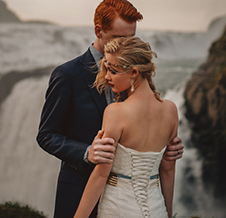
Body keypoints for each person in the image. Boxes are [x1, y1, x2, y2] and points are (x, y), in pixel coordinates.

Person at [37, 0, 184, 218]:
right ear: (99, 31)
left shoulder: (134, 73)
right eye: (119, 38)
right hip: (80, 190)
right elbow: (46, 135)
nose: (126, 45)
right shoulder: (67, 75)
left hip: (129, 201)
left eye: (131, 38)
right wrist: (87, 152)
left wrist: (167, 148)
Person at [74, 36, 178, 218]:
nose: (106, 76)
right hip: (157, 209)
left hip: (118, 209)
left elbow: (100, 175)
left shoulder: (116, 112)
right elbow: (168, 170)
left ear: (134, 73)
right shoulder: (170, 110)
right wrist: (168, 213)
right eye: (106, 68)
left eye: (112, 71)